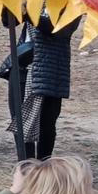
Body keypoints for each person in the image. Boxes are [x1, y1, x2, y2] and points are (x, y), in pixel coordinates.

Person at [22, 8, 82, 159]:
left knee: (46, 125)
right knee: (23, 125)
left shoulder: (72, 1)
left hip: (51, 70)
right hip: (23, 67)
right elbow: (7, 22)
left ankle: (43, 170)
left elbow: (58, 29)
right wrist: (9, 3)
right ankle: (26, 171)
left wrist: (27, 13)